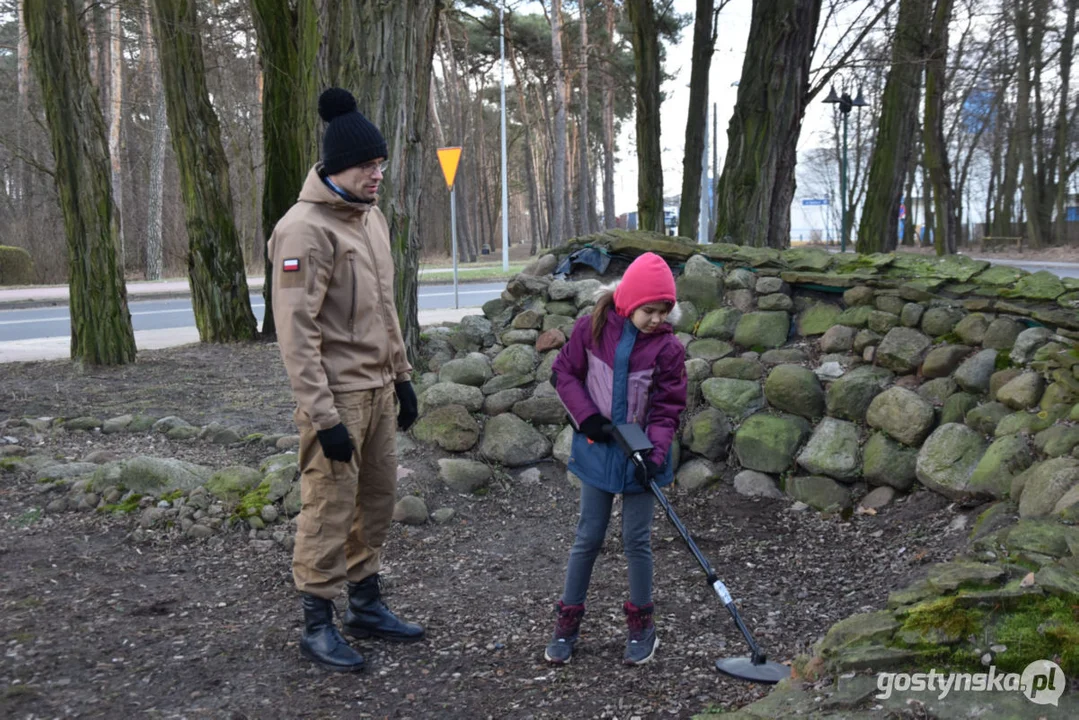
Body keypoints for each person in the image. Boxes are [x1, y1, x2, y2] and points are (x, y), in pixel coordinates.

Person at [269, 87, 423, 673]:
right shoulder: (303, 230)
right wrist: (323, 415)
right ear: (336, 168)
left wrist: (402, 376)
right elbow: (295, 331)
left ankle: (365, 604)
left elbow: (385, 309)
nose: (376, 174)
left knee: (377, 501)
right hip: (336, 398)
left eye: (380, 164)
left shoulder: (371, 219)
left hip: (380, 388)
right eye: (366, 165)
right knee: (328, 507)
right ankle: (317, 624)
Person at [545, 252, 688, 666]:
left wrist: (654, 454)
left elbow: (666, 409)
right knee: (588, 537)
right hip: (598, 452)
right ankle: (567, 623)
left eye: (665, 311)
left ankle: (642, 625)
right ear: (629, 302)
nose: (658, 319)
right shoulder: (591, 329)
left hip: (643, 459)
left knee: (636, 540)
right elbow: (564, 373)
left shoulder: (668, 350)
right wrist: (587, 418)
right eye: (650, 310)